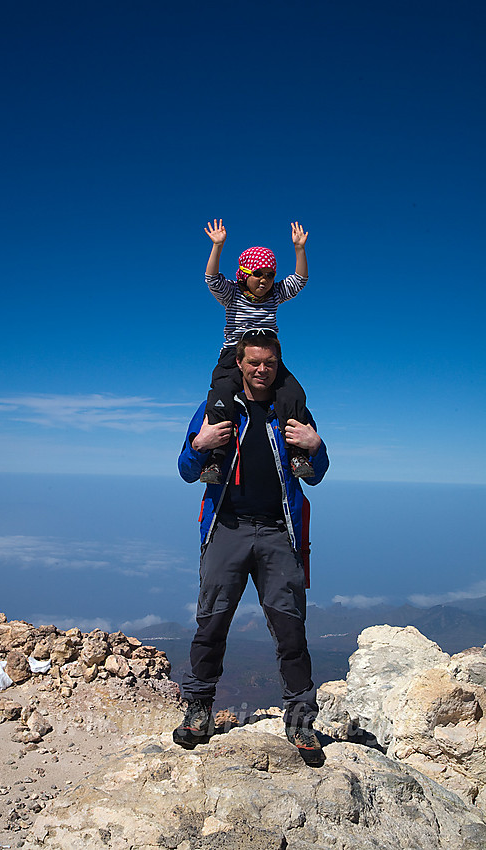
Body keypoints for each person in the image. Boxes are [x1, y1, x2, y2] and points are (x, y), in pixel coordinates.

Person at [173, 332, 329, 766]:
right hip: (227, 528)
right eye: (254, 362)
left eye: (270, 364)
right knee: (212, 622)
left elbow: (315, 473)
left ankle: (300, 720)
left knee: (291, 629)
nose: (262, 370)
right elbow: (187, 471)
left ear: (278, 365)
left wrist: (317, 448)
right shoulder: (216, 410)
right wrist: (198, 446)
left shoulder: (291, 411)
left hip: (279, 532)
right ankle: (199, 710)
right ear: (238, 364)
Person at [201, 218, 313, 485]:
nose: (264, 280)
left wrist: (299, 250)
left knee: (293, 393)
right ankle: (215, 457)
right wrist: (217, 247)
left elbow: (300, 280)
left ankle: (297, 455)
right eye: (258, 274)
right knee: (221, 395)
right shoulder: (232, 294)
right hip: (233, 355)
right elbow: (211, 279)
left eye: (270, 275)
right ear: (244, 274)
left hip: (269, 356)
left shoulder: (275, 294)